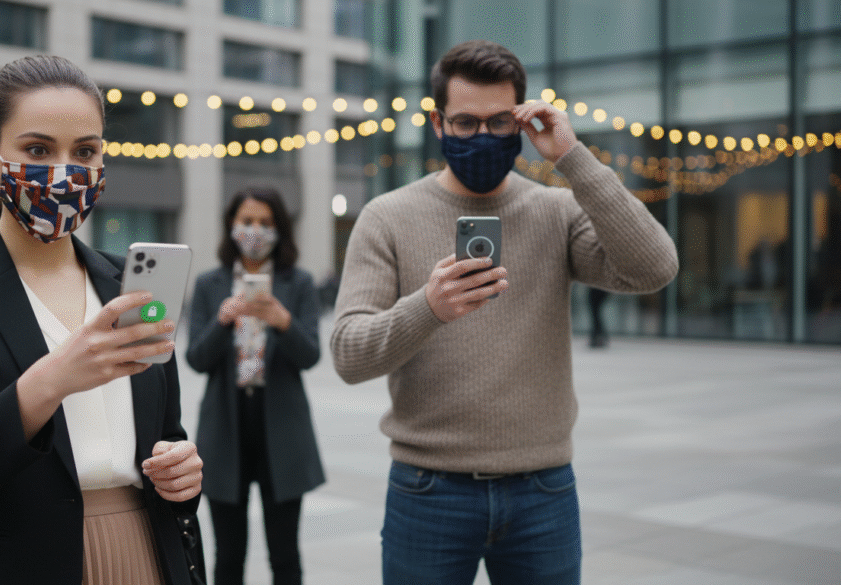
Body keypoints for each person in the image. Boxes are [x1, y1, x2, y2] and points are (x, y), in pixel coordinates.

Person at [330, 40, 678, 585]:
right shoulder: (387, 217)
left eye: (498, 122)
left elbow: (655, 268)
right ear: (438, 123)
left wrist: (572, 158)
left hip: (543, 489)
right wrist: (429, 307)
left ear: (522, 121)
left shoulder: (555, 210)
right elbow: (349, 354)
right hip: (428, 490)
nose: (482, 136)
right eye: (465, 123)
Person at [0, 55, 204, 585]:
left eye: (85, 151)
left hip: (144, 554)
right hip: (11, 564)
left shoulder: (128, 285)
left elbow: (164, 432)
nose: (64, 172)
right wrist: (53, 377)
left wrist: (182, 468)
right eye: (37, 150)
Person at [187, 187, 324, 585]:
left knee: (285, 555)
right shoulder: (211, 284)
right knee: (227, 556)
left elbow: (310, 355)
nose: (255, 230)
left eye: (266, 222)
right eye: (247, 221)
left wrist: (283, 320)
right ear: (232, 225)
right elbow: (195, 359)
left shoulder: (297, 282)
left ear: (280, 229)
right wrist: (222, 320)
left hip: (281, 429)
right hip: (224, 431)